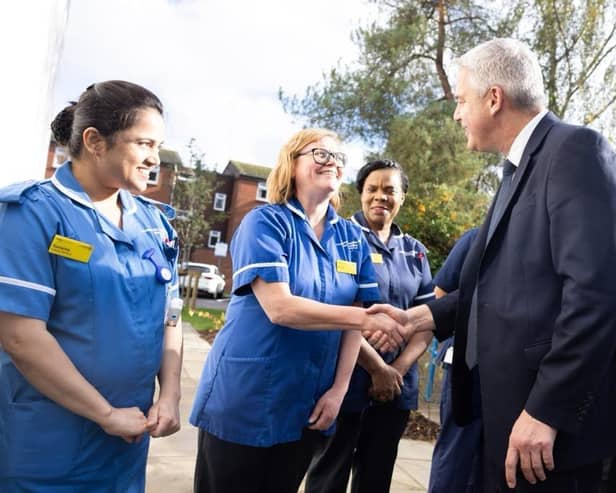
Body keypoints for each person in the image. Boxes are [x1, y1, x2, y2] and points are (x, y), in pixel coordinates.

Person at [368, 38, 616, 492]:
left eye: (461, 101)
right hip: (499, 417)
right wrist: (418, 317)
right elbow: (496, 286)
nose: (457, 113)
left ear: (494, 98)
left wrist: (547, 410)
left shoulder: (575, 151)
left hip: (546, 434)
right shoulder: (515, 172)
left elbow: (596, 293)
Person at [189, 129, 405, 493]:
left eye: (339, 157)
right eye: (321, 154)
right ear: (292, 163)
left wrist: (338, 391)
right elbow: (280, 308)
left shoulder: (352, 240)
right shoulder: (266, 222)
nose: (333, 162)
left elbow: (352, 324)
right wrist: (366, 318)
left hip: (306, 406)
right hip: (244, 399)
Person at [0, 81, 183, 492]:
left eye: (159, 145)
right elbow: (20, 336)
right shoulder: (32, 212)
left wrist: (169, 393)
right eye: (144, 143)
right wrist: (104, 413)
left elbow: (170, 314)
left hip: (126, 442)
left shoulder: (155, 223)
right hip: (48, 445)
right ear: (95, 141)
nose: (155, 159)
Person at [304, 159, 434, 493]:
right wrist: (376, 367)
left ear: (402, 197)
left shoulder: (415, 252)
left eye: (390, 190)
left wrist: (397, 370)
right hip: (344, 382)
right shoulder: (338, 238)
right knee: (328, 475)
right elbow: (331, 310)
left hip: (396, 388)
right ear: (360, 194)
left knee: (376, 478)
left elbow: (427, 321)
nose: (381, 197)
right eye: (372, 189)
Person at [428, 227, 483, 493]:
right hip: (466, 363)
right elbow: (442, 293)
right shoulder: (476, 237)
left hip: (507, 372)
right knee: (456, 450)